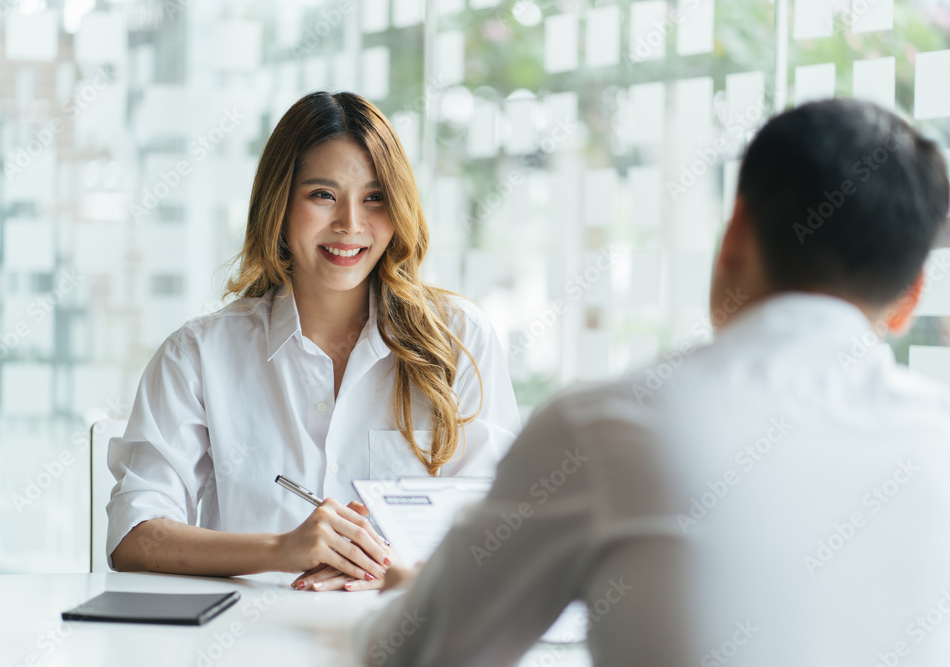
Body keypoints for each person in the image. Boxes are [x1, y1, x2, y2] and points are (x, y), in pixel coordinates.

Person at [361, 99, 950, 665]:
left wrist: (414, 601)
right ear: (909, 299)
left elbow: (416, 654)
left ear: (736, 232)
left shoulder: (605, 427)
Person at [106, 91, 521, 592]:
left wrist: (393, 573)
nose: (350, 223)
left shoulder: (458, 340)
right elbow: (133, 536)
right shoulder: (198, 354)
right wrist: (282, 549)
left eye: (374, 198)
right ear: (278, 204)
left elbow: (505, 534)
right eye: (323, 195)